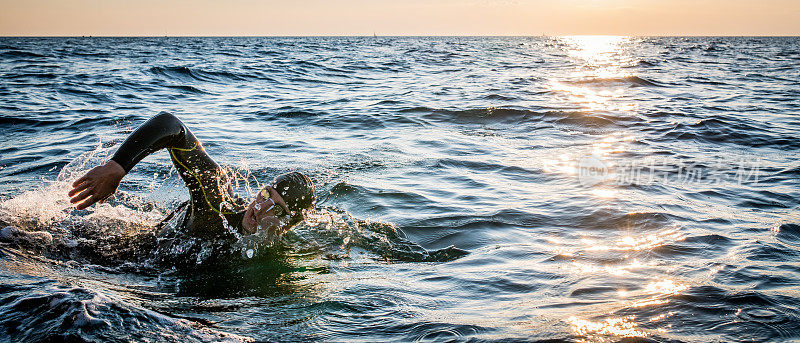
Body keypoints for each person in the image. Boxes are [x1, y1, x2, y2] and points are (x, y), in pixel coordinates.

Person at [67, 112, 316, 244]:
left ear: (289, 226)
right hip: (123, 258)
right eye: (265, 194)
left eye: (278, 210)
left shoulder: (276, 246)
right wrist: (117, 166)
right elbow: (171, 124)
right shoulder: (216, 205)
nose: (260, 208)